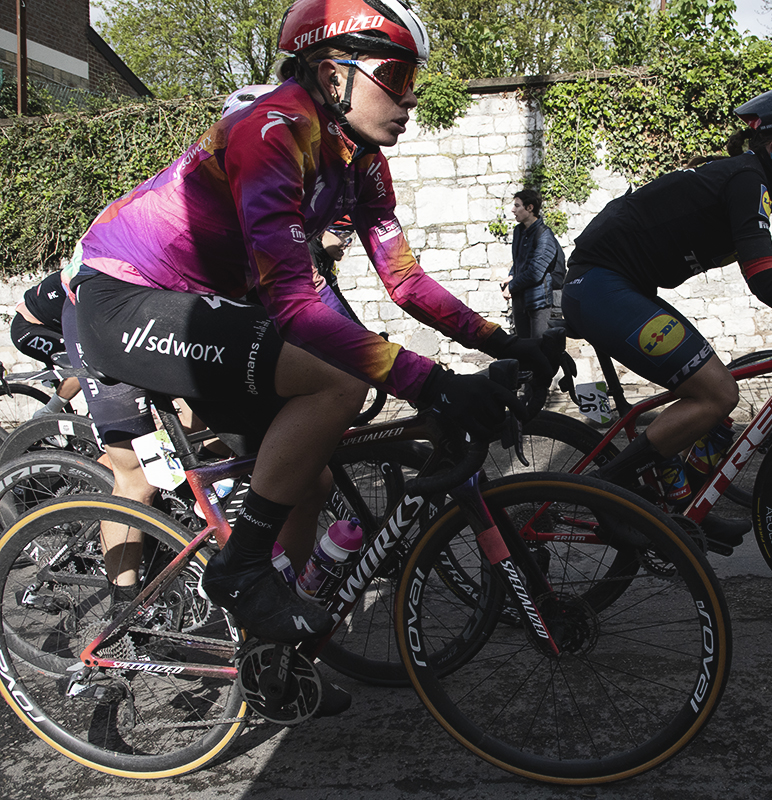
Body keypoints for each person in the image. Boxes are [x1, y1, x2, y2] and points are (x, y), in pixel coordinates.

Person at [64, 0, 547, 667]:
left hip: (203, 307)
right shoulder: (271, 131)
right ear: (331, 75)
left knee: (311, 480)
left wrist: (505, 342)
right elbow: (292, 304)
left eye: (414, 79)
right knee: (337, 385)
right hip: (126, 296)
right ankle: (239, 570)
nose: (410, 98)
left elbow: (405, 282)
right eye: (397, 76)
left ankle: (273, 659)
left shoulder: (362, 161)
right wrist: (430, 380)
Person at [562, 87, 772, 554]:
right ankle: (604, 491)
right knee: (719, 393)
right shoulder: (748, 181)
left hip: (619, 287)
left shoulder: (747, 179)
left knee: (716, 405)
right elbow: (767, 282)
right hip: (601, 287)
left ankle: (680, 510)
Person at [10, 268, 81, 416]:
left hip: (53, 326)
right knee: (82, 365)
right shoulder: (76, 279)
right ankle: (48, 413)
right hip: (28, 329)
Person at [500, 189, 561, 338]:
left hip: (539, 303)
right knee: (525, 349)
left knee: (542, 350)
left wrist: (512, 287)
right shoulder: (519, 231)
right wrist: (512, 275)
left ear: (530, 208)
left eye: (517, 205)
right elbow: (520, 260)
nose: (513, 210)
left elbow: (535, 272)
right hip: (520, 301)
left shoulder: (545, 235)